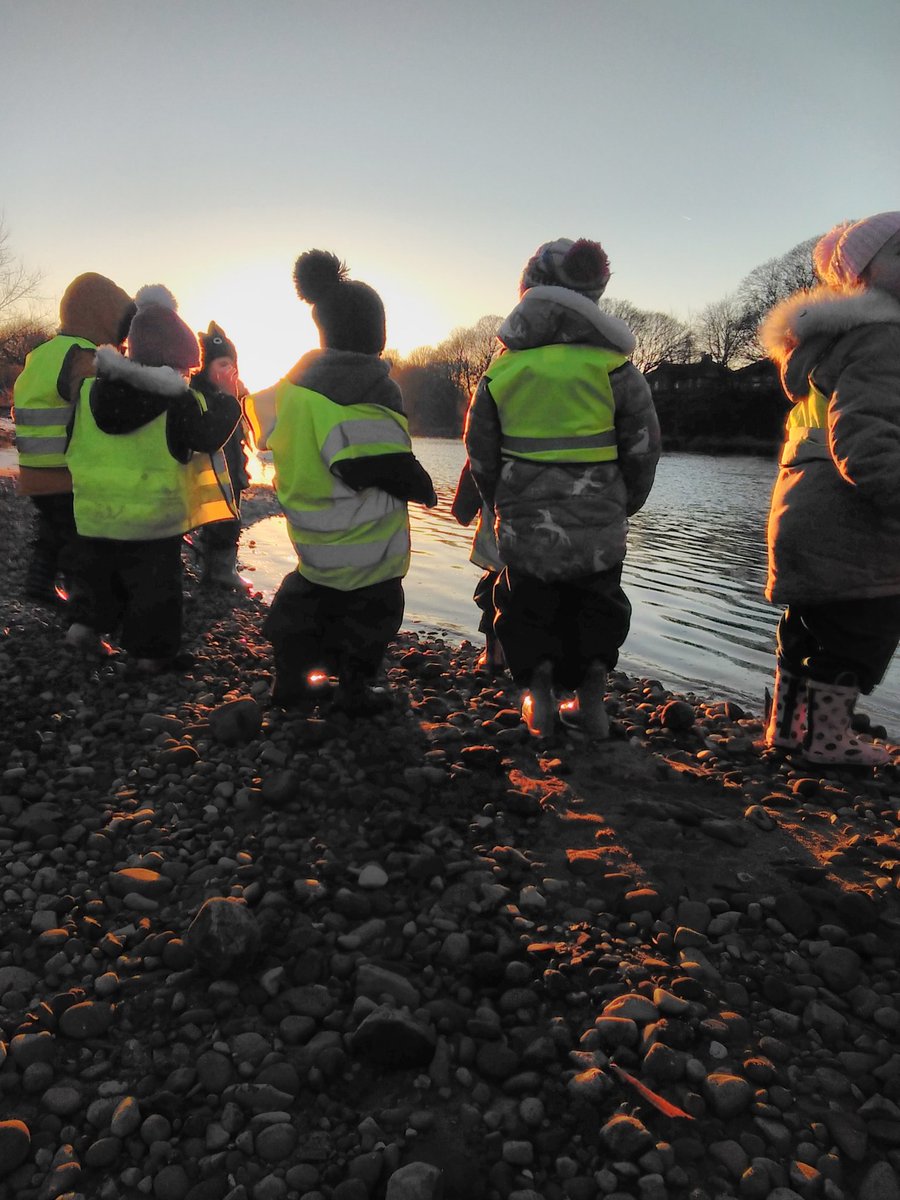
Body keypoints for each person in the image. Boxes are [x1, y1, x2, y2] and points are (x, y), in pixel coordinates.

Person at [465, 237, 660, 738]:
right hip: (599, 525)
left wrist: (496, 501)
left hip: (526, 528)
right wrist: (625, 502)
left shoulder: (501, 371)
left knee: (528, 609)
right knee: (598, 607)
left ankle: (541, 699)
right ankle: (592, 703)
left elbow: (480, 453)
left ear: (527, 294)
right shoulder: (614, 368)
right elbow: (642, 447)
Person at [246, 249, 437, 713]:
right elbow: (371, 460)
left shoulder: (294, 391)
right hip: (366, 544)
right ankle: (353, 689)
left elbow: (274, 434)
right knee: (370, 618)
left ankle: (291, 679)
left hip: (312, 538)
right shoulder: (363, 390)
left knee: (304, 607)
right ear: (376, 335)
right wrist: (421, 485)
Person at [761, 212, 900, 767]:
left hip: (801, 507)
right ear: (862, 275)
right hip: (852, 518)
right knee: (859, 631)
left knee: (809, 626)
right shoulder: (886, 339)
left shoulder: (828, 346)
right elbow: (866, 439)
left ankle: (789, 731)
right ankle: (828, 742)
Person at [64, 285, 240, 672]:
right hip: (152, 520)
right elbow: (207, 439)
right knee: (155, 590)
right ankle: (150, 656)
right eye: (185, 369)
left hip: (95, 513)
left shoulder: (90, 390)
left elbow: (71, 443)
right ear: (173, 365)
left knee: (99, 576)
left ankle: (83, 629)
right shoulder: (176, 400)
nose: (186, 376)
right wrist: (229, 401)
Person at [13, 272, 134, 606]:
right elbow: (100, 410)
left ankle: (39, 582)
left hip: (33, 466)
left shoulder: (41, 354)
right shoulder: (83, 355)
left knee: (52, 528)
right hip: (66, 468)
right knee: (80, 541)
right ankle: (81, 611)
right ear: (102, 318)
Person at [190, 322, 251, 589]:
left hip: (232, 471)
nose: (228, 371)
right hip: (213, 472)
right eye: (221, 364)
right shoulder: (200, 395)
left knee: (231, 519)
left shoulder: (236, 395)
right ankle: (218, 571)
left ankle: (221, 567)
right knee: (220, 522)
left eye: (231, 364)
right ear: (206, 367)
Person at [451, 458, 506, 674]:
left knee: (495, 586)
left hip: (502, 520)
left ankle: (494, 654)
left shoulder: (497, 426)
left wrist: (464, 507)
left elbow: (479, 452)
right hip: (556, 520)